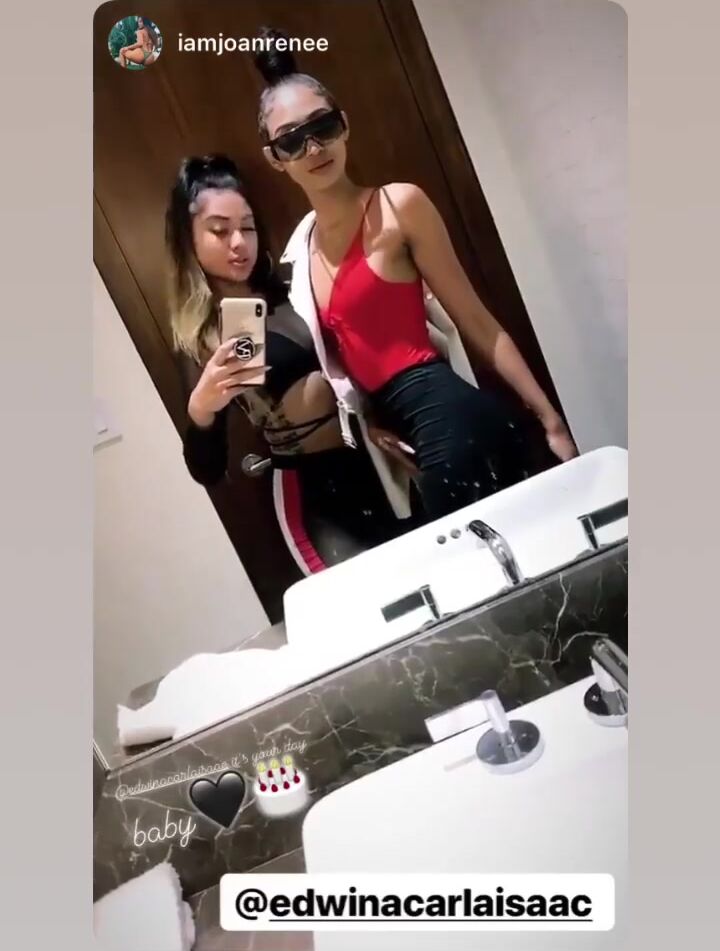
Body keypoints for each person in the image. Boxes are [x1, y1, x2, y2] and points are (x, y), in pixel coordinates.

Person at [252, 29, 578, 521]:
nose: (314, 147)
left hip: (452, 421)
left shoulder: (399, 205)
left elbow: (477, 320)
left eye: (323, 126)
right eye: (292, 140)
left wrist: (551, 421)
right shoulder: (301, 250)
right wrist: (372, 418)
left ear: (344, 125)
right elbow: (351, 361)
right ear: (275, 158)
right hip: (414, 437)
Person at [166, 154, 413, 573]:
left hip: (372, 461)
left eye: (247, 227)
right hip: (312, 491)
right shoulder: (201, 337)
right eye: (219, 230)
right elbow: (206, 470)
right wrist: (202, 409)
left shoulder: (293, 288)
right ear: (188, 239)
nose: (238, 242)